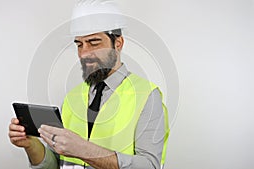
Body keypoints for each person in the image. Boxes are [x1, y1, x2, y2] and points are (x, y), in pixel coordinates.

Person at [9, 1, 169, 169]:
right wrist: (31, 145)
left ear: (118, 43)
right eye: (79, 44)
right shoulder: (72, 98)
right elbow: (56, 165)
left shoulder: (147, 95)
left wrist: (84, 150)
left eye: (94, 42)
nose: (84, 53)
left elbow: (150, 165)